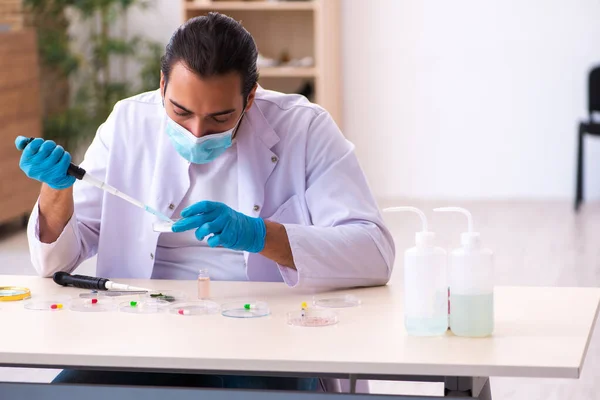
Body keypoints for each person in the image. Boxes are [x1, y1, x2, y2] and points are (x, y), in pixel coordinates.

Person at [16, 12, 395, 392]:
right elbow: (56, 262)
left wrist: (262, 236)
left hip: (264, 332)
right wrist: (54, 188)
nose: (197, 133)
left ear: (250, 97)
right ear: (162, 85)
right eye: (180, 112)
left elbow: (374, 253)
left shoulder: (305, 127)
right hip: (143, 325)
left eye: (219, 117)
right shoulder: (128, 121)